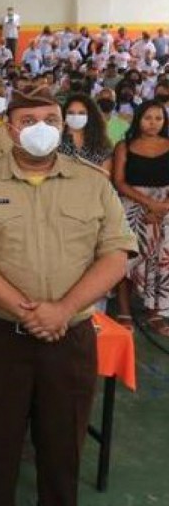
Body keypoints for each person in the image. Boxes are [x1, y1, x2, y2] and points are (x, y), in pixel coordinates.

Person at [0, 91, 135, 506]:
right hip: (0, 335)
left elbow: (116, 255)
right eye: (28, 119)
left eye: (50, 119)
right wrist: (25, 309)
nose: (40, 126)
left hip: (70, 335)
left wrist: (61, 310)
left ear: (64, 127)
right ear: (10, 128)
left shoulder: (93, 185)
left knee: (63, 441)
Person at [112, 101, 169, 332]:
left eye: (158, 118)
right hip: (133, 208)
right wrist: (149, 205)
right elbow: (119, 181)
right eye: (148, 118)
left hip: (166, 209)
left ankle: (154, 312)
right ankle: (124, 310)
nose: (153, 123)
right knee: (127, 259)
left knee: (160, 261)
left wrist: (162, 207)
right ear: (138, 119)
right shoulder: (124, 146)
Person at [59, 95, 113, 173]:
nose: (75, 116)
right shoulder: (55, 142)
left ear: (90, 116)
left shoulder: (102, 146)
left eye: (81, 113)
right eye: (70, 113)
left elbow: (105, 177)